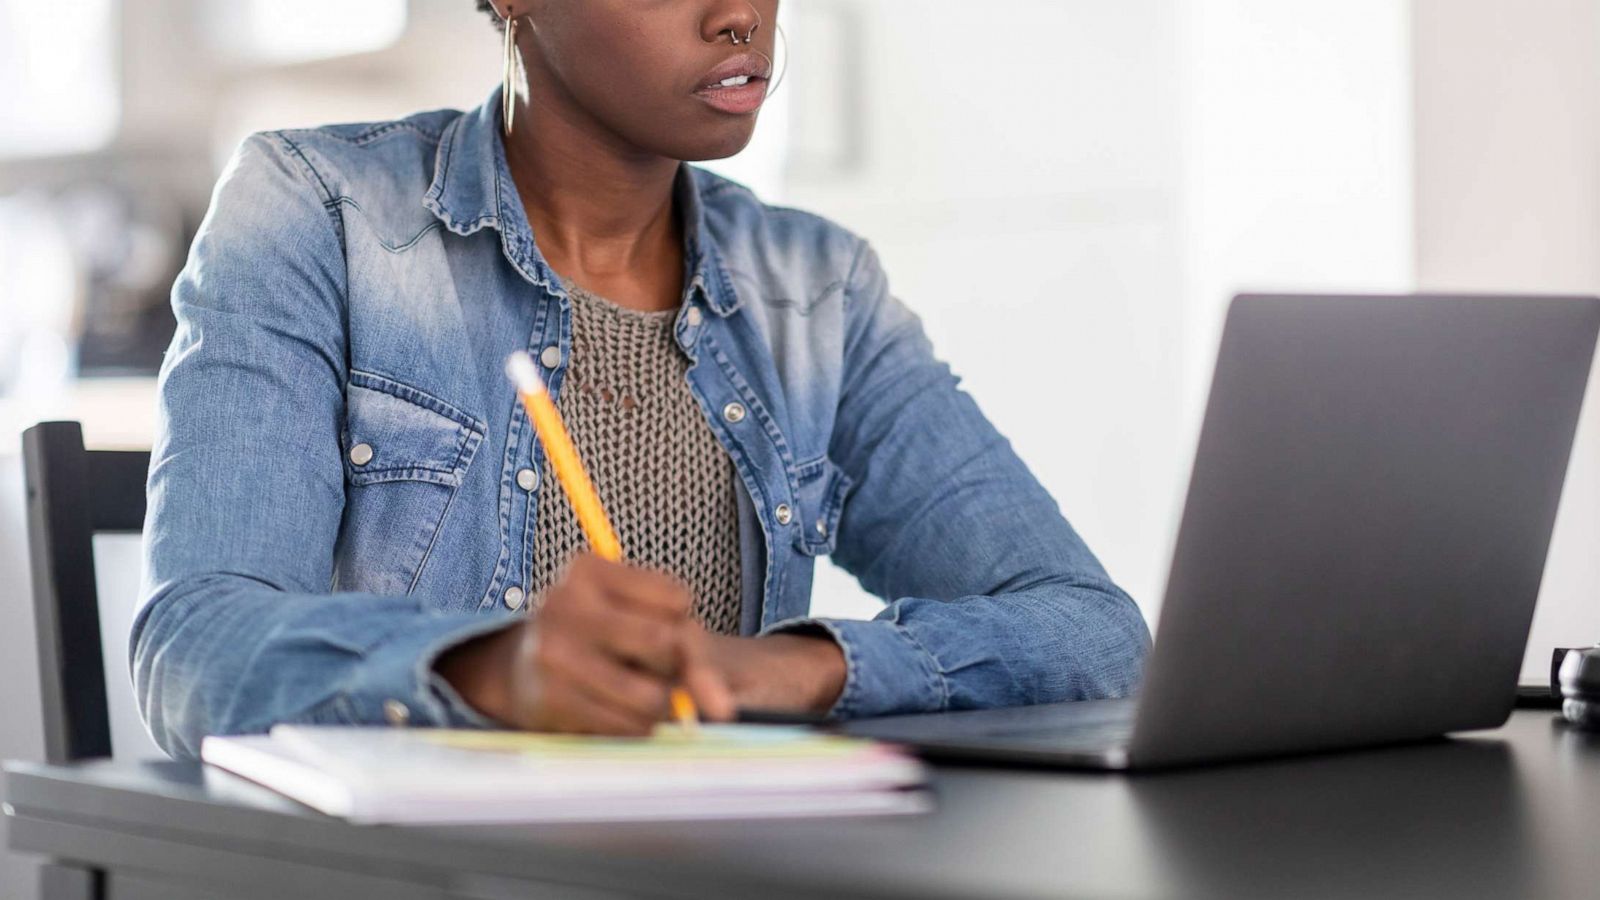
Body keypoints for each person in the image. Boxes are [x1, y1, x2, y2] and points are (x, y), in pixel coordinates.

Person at [133, 0, 1151, 760]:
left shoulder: (814, 288)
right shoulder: (318, 214)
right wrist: (496, 671)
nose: (739, 17)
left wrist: (799, 667)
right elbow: (195, 649)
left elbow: (1092, 632)